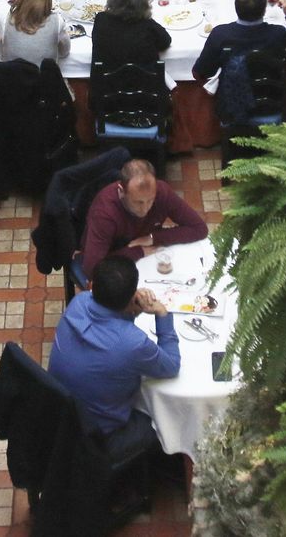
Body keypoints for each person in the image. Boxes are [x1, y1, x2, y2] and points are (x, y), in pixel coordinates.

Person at [49, 255, 179, 446]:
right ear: (132, 295)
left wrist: (129, 310)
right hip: (99, 435)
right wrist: (162, 314)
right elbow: (172, 366)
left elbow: (111, 331)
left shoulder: (79, 302)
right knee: (162, 422)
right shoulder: (133, 343)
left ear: (92, 285)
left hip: (59, 414)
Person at [79, 159, 207, 275]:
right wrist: (138, 251)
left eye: (151, 200)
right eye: (138, 202)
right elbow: (92, 268)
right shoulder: (104, 213)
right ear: (121, 191)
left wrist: (153, 238)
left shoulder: (162, 192)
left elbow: (199, 228)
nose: (145, 208)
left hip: (149, 257)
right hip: (117, 266)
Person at [192, 0, 286, 82]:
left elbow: (201, 72)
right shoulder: (278, 33)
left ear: (235, 7)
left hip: (232, 98)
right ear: (264, 10)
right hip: (270, 93)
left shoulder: (219, 34)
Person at [90, 0, 171, 72]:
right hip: (146, 85)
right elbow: (166, 41)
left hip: (106, 85)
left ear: (112, 0)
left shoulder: (101, 20)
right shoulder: (147, 25)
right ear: (142, 0)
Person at [0, 0, 70, 67]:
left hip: (12, 78)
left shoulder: (5, 19)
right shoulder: (58, 21)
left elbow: (1, 54)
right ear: (48, 1)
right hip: (44, 78)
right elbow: (64, 52)